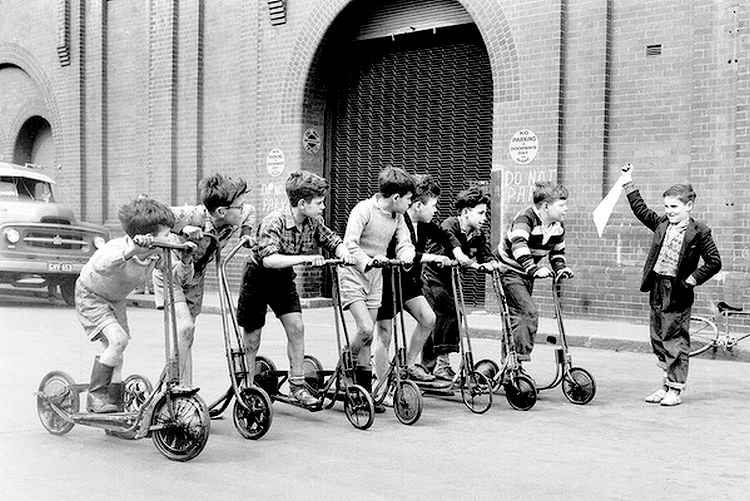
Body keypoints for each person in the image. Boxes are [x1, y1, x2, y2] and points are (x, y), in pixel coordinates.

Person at [236, 170, 354, 406]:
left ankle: (297, 386)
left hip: (282, 280)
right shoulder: (275, 221)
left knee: (297, 328)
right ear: (302, 203)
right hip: (257, 278)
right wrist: (304, 259)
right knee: (252, 339)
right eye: (319, 203)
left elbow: (330, 239)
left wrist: (344, 253)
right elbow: (268, 259)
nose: (322, 207)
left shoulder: (313, 221)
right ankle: (248, 389)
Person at [619, 163, 721, 406]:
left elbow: (715, 261)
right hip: (656, 286)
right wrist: (628, 183)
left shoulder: (700, 231)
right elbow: (641, 210)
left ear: (689, 206)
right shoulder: (662, 224)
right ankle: (665, 384)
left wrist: (691, 280)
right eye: (666, 207)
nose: (669, 211)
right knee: (657, 336)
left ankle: (675, 389)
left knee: (674, 338)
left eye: (674, 207)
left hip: (678, 290)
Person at [75, 198, 179, 412]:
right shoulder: (117, 247)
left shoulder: (154, 252)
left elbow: (172, 272)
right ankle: (96, 397)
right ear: (149, 237)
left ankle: (114, 401)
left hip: (115, 299)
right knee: (118, 341)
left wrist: (185, 256)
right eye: (166, 234)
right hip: (91, 295)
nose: (170, 238)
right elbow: (101, 266)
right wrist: (129, 252)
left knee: (117, 349)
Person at [153, 173, 254, 386]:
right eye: (240, 206)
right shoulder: (194, 215)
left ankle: (181, 390)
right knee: (185, 329)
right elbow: (157, 214)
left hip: (195, 278)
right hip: (171, 272)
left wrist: (246, 233)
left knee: (186, 336)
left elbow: (251, 212)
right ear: (221, 211)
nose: (244, 209)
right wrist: (183, 228)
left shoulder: (235, 214)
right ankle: (170, 388)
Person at [339, 167, 416, 408]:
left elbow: (405, 243)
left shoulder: (398, 217)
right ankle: (345, 362)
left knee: (368, 335)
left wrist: (407, 255)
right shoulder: (363, 210)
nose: (410, 203)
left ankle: (363, 393)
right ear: (396, 198)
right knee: (364, 329)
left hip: (376, 278)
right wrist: (368, 261)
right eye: (409, 199)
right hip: (353, 275)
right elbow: (349, 244)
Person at [373, 174, 453, 385]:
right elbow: (399, 254)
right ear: (417, 205)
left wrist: (461, 255)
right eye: (433, 205)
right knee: (385, 333)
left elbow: (446, 236)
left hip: (408, 283)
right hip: (386, 283)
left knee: (428, 318)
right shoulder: (399, 222)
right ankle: (380, 383)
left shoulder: (424, 225)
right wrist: (433, 257)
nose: (436, 210)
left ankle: (407, 365)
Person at [422, 186, 497, 380]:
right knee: (447, 313)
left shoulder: (477, 234)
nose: (484, 218)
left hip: (450, 281)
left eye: (485, 214)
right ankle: (439, 366)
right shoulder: (451, 224)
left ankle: (429, 366)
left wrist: (492, 264)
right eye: (480, 213)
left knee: (444, 318)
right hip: (432, 278)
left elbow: (485, 254)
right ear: (465, 212)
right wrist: (460, 255)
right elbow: (451, 241)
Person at [496, 181, 573, 362]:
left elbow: (557, 253)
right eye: (561, 205)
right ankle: (518, 361)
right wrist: (533, 268)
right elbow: (519, 245)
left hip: (526, 273)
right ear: (546, 206)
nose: (566, 209)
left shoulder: (557, 226)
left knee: (517, 317)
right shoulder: (526, 218)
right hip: (508, 270)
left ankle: (510, 363)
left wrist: (561, 269)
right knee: (527, 312)